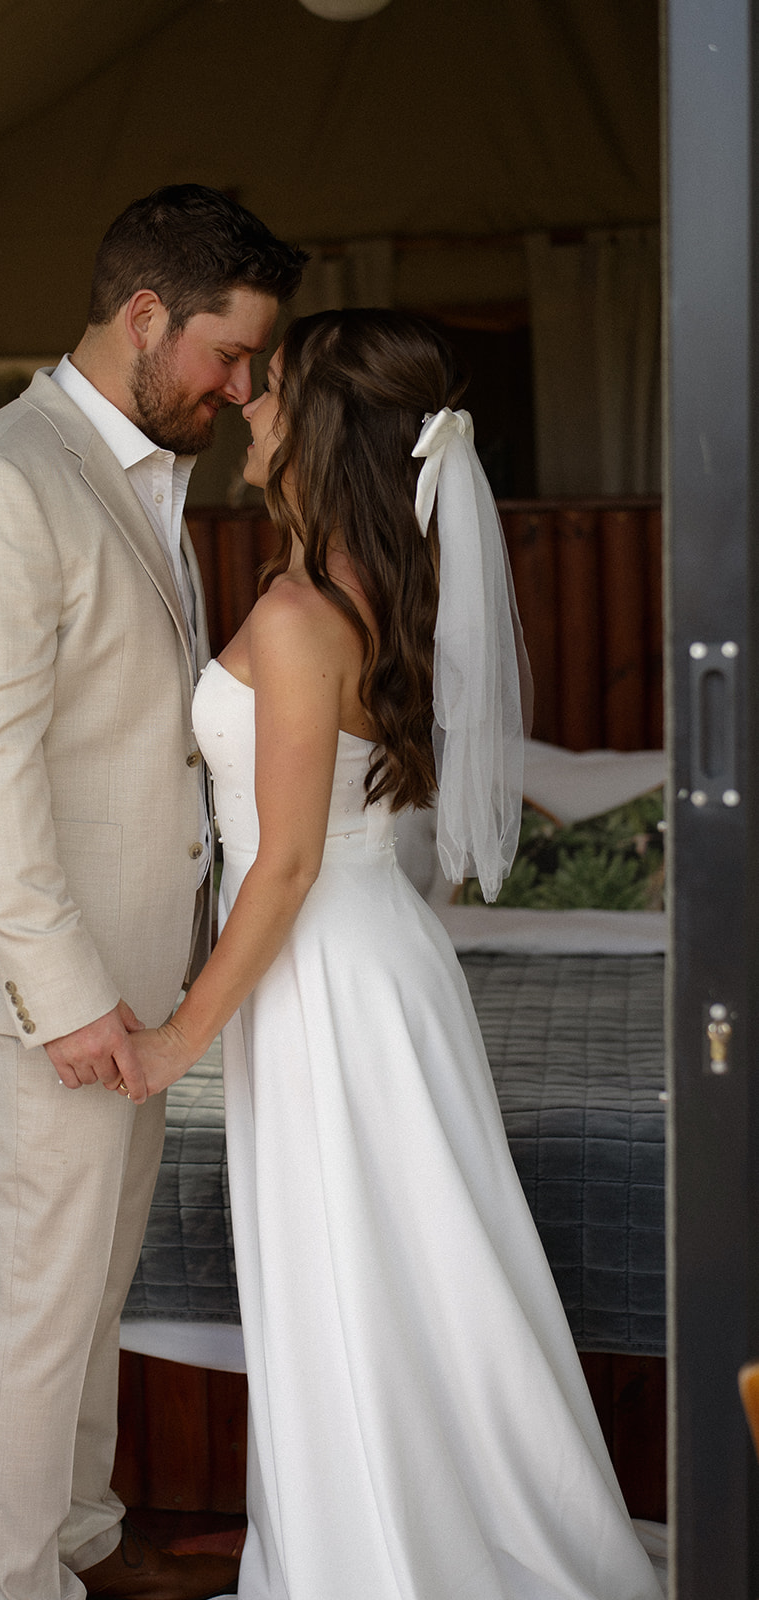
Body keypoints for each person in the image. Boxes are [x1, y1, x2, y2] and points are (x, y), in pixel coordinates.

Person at [118, 309, 664, 1600]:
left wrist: (174, 1040)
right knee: (380, 1268)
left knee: (357, 1273)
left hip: (329, 975)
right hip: (362, 964)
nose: (248, 405)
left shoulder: (309, 614)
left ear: (320, 430)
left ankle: (373, 1553)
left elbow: (290, 861)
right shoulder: (350, 584)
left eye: (272, 393)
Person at [0, 185, 307, 1600]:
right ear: (145, 317)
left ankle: (78, 1547)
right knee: (27, 1318)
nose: (240, 387)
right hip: (36, 1002)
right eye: (229, 355)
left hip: (133, 982)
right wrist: (67, 1000)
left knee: (82, 1303)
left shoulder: (141, 475)